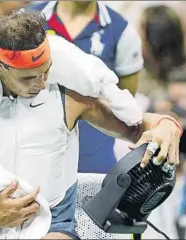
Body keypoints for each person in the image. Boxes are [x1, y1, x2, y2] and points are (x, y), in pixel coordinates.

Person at [0, 11, 182, 240]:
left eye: (47, 71)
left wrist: (166, 124)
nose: (42, 84)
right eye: (29, 77)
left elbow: (136, 125)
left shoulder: (69, 98)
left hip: (51, 227)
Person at [28, 1, 144, 173]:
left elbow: (125, 99)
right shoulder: (27, 19)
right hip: (35, 159)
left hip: (94, 163)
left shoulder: (121, 31)